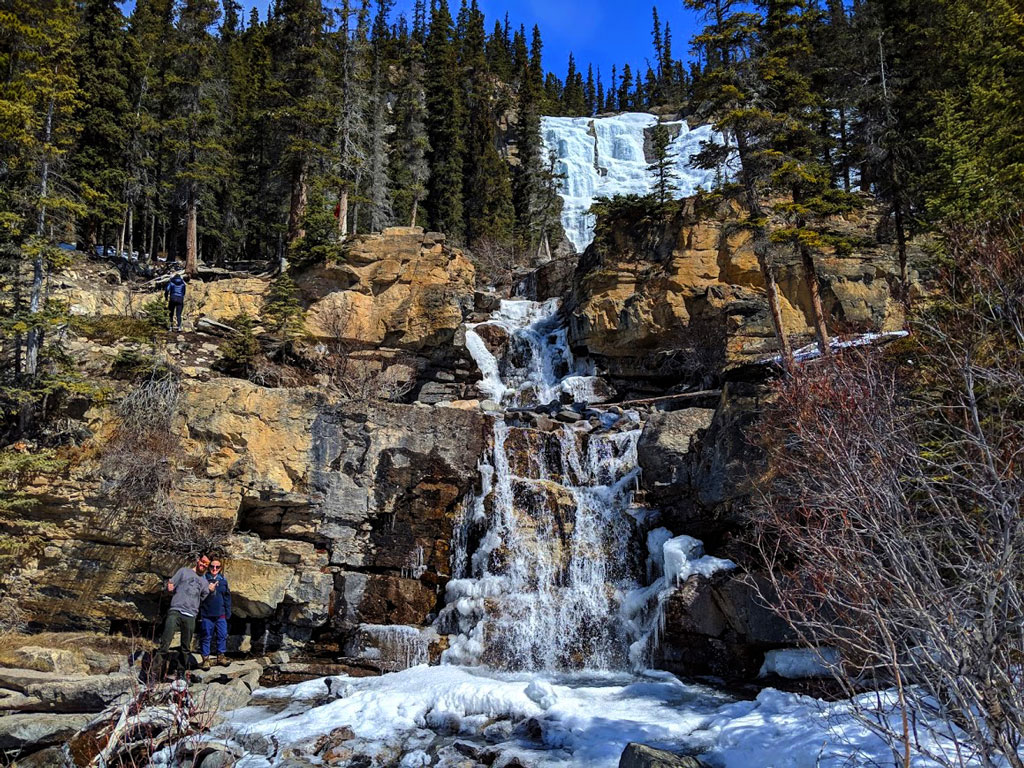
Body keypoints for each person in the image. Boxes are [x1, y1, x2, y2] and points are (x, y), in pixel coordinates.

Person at [157, 554, 216, 676]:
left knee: (185, 648)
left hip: (190, 615)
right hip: (176, 610)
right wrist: (168, 588)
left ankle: (181, 674)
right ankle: (152, 674)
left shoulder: (204, 582)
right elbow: (170, 586)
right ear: (198, 560)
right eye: (203, 561)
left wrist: (211, 591)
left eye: (206, 564)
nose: (204, 565)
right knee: (165, 643)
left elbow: (203, 599)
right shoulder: (183, 571)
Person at [199, 558, 232, 669]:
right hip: (207, 614)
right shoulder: (203, 580)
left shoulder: (223, 580)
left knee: (222, 635)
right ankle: (205, 659)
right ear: (209, 567)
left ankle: (221, 657)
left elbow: (227, 597)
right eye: (212, 566)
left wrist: (228, 612)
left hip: (221, 614)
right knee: (206, 636)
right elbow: (198, 597)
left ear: (220, 568)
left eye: (217, 567)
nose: (214, 569)